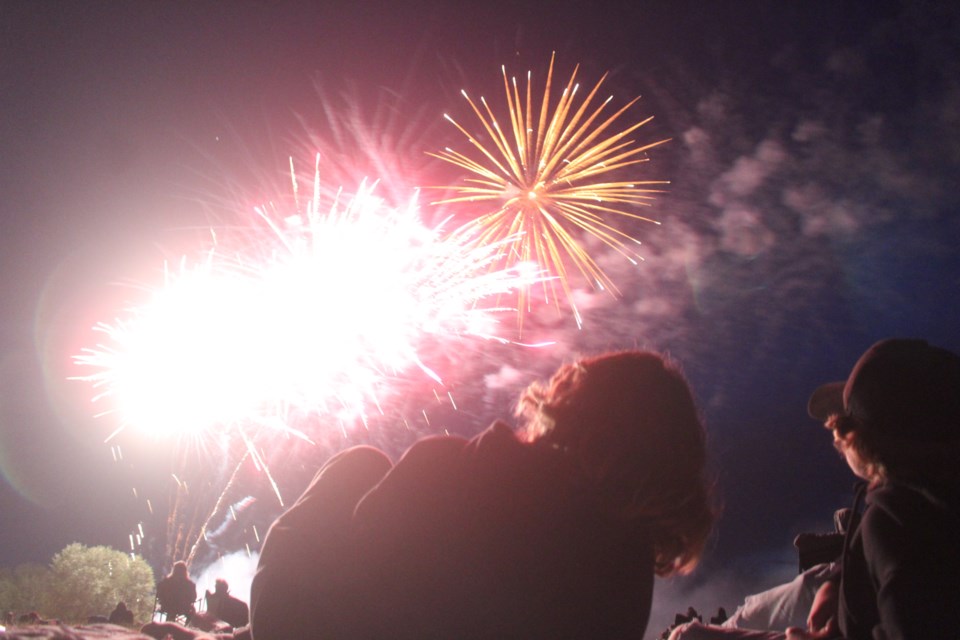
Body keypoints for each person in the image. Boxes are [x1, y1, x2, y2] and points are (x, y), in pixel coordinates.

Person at [250, 349, 715, 639]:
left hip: (312, 627)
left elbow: (360, 552)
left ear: (570, 402)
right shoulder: (629, 585)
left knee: (362, 463)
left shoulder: (448, 463)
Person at [671, 338, 960, 640]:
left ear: (862, 438)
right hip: (843, 596)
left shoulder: (896, 524)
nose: (835, 437)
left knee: (687, 637)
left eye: (844, 423)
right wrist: (835, 583)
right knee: (744, 615)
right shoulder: (916, 491)